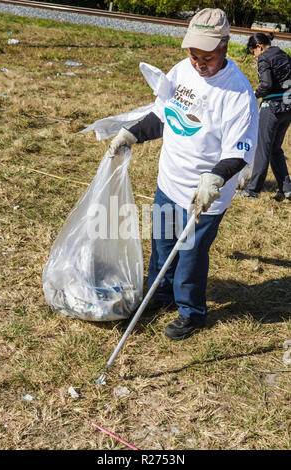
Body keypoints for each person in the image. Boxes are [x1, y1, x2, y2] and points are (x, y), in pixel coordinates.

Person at [107, 8, 259, 340]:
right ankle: (159, 295)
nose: (199, 63)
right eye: (193, 55)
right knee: (162, 246)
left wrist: (216, 178)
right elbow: (163, 115)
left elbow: (240, 150)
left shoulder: (237, 93)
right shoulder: (181, 72)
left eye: (207, 56)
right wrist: (132, 134)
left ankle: (191, 312)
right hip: (170, 182)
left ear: (224, 48)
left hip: (204, 193)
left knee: (189, 254)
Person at [238, 32, 291, 200]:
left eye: (253, 52)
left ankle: (252, 190)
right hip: (288, 107)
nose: (255, 57)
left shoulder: (264, 58)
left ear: (259, 47)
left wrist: (254, 94)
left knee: (263, 148)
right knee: (275, 149)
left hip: (273, 107)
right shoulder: (283, 54)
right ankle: (287, 189)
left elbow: (266, 84)